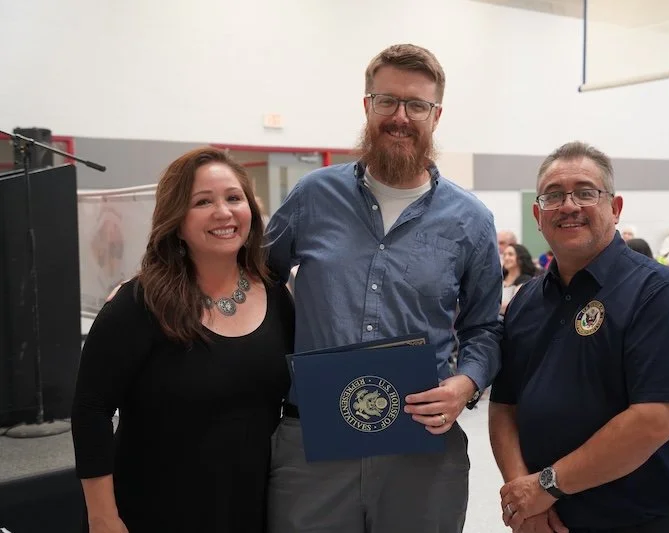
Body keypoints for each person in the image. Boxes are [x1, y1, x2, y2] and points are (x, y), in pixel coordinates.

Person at [265, 43, 502, 533]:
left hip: (420, 442)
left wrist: (466, 384)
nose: (400, 117)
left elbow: (485, 327)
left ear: (436, 115)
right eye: (387, 101)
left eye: (416, 105)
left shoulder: (471, 221)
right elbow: (254, 279)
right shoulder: (313, 197)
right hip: (313, 440)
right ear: (367, 106)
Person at [489, 141, 669, 533]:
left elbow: (653, 421)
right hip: (544, 521)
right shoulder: (526, 300)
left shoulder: (657, 292)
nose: (569, 205)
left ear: (615, 207)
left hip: (636, 523)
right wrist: (526, 501)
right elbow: (504, 406)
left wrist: (545, 486)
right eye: (554, 195)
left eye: (585, 192)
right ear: (538, 215)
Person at [71, 148, 293, 533]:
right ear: (176, 221)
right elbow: (91, 410)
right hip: (151, 510)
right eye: (202, 202)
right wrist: (103, 517)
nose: (223, 212)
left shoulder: (276, 295)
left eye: (234, 198)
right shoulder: (139, 303)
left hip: (248, 507)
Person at [501, 243, 540, 315]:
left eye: (510, 254)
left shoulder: (526, 281)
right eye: (504, 255)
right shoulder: (500, 278)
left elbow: (514, 305)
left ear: (520, 258)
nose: (506, 258)